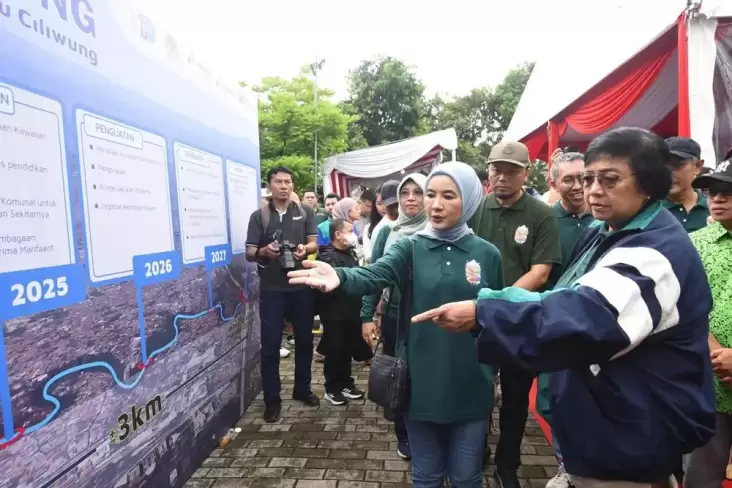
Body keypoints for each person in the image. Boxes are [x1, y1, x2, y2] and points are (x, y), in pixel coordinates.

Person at [417, 128, 716, 488]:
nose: (592, 190)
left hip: (628, 439)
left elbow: (584, 316)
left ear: (649, 183)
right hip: (605, 431)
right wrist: (490, 304)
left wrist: (484, 313)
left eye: (609, 179)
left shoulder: (653, 252)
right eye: (589, 179)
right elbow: (561, 295)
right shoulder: (607, 229)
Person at [290, 162, 504, 488]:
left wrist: (496, 376)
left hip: (471, 382)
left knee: (466, 477)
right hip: (419, 383)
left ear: (470, 200)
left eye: (449, 196)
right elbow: (376, 273)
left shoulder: (487, 254)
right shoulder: (410, 246)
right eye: (431, 194)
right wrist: (342, 276)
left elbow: (497, 319)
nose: (435, 203)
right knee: (427, 475)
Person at [469, 140, 562, 488]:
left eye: (511, 170)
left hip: (519, 321)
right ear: (489, 171)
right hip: (475, 320)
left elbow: (540, 271)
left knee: (515, 400)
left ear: (526, 173)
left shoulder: (540, 214)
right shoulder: (475, 210)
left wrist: (498, 302)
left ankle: (508, 463)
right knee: (475, 391)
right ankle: (475, 452)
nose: (503, 177)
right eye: (497, 169)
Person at [245, 166, 320, 423]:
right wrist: (266, 251)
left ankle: (302, 389)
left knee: (305, 342)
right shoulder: (260, 216)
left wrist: (303, 249)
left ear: (292, 185)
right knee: (270, 346)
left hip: (301, 286)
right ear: (270, 186)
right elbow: (249, 252)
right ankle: (272, 399)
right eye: (278, 182)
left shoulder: (305, 211)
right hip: (272, 289)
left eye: (288, 182)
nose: (284, 186)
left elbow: (314, 243)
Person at [361, 173, 428, 460]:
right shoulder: (389, 231)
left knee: (425, 375)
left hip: (428, 317)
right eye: (405, 192)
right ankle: (404, 435)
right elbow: (373, 276)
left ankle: (426, 431)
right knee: (399, 376)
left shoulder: (437, 230)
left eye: (418, 192)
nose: (410, 198)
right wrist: (366, 316)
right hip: (394, 315)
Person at [541, 150, 595, 488]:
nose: (578, 187)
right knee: (553, 399)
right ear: (554, 183)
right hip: (556, 325)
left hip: (598, 327)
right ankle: (567, 464)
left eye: (584, 178)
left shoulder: (607, 218)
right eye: (569, 180)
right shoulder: (546, 221)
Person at [684, 157, 732, 486]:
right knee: (701, 476)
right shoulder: (693, 244)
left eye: (728, 191)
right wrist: (717, 353)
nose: (716, 198)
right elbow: (682, 303)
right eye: (712, 191)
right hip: (706, 383)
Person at [315, 218, 367, 405]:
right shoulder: (326, 257)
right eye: (349, 230)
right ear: (338, 234)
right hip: (334, 313)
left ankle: (346, 383)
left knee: (347, 349)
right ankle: (332, 387)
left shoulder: (351, 253)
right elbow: (333, 286)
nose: (353, 234)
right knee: (335, 350)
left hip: (352, 310)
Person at [662, 137, 710, 233]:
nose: (668, 173)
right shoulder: (646, 212)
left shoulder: (715, 209)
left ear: (697, 166)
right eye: (662, 166)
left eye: (676, 165)